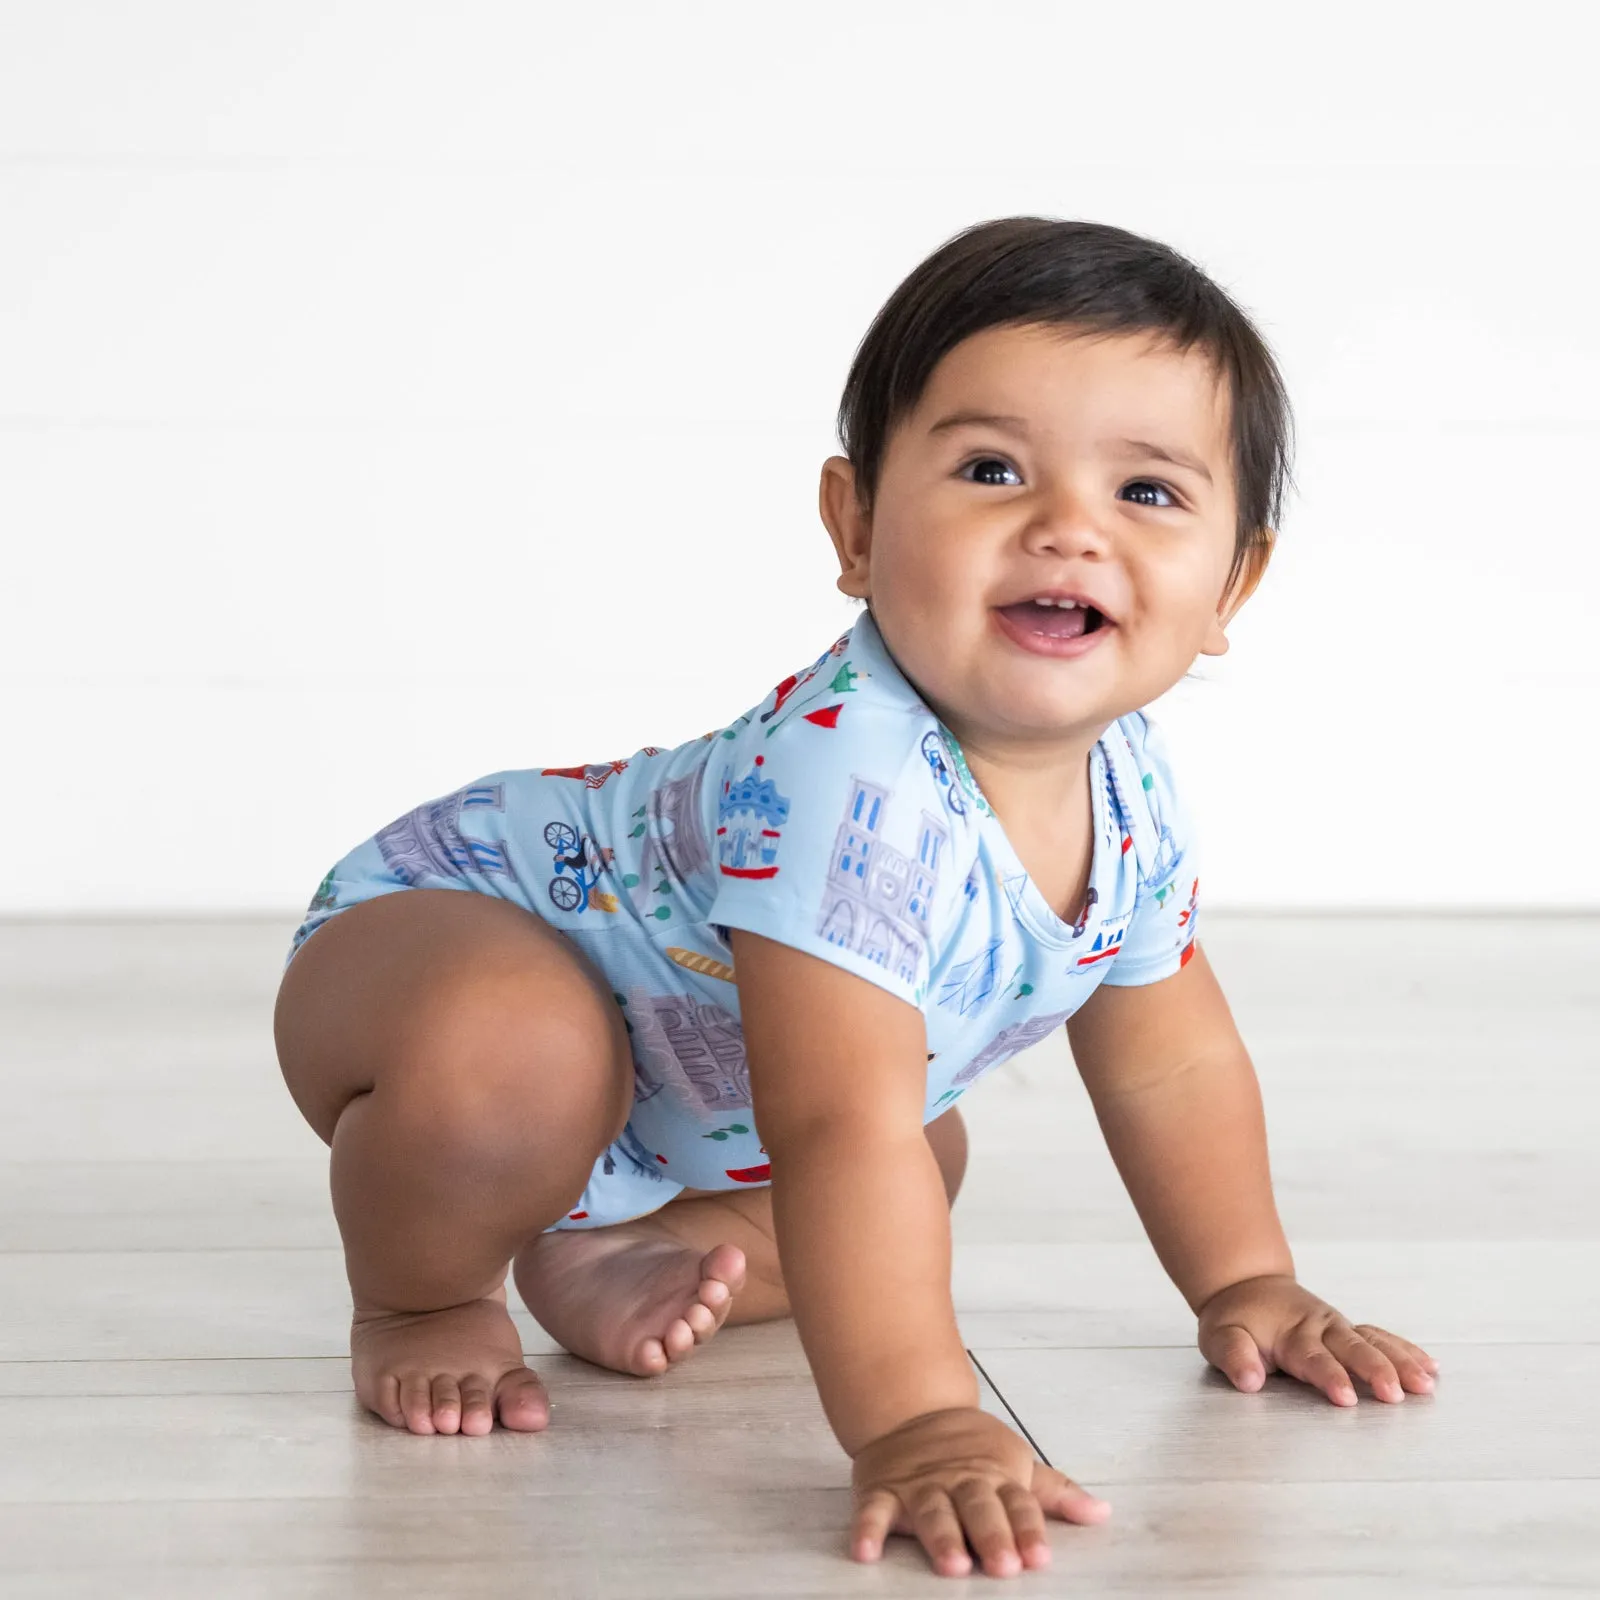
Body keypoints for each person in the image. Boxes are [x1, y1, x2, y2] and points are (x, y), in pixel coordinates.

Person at [273, 216, 1439, 1581]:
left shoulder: (1129, 779)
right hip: (447, 933)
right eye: (993, 469)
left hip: (682, 1094)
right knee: (549, 1065)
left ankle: (611, 1242)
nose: (1068, 526)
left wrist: (1249, 1285)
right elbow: (834, 1124)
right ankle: (423, 1291)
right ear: (859, 523)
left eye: (1149, 494)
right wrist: (924, 1419)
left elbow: (1169, 1058)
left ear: (1233, 582)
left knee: (919, 1159)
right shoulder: (848, 776)